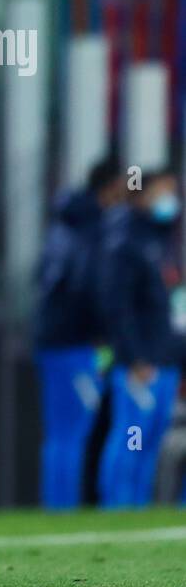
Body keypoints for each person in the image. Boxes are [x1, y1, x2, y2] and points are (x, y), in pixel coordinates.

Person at [34, 157, 124, 508]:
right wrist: (102, 332)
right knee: (72, 430)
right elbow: (88, 287)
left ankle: (59, 505)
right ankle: (62, 508)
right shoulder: (91, 229)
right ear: (112, 186)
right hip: (73, 341)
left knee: (61, 431)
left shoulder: (64, 223)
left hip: (55, 338)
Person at [96, 169, 183, 506]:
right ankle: (116, 505)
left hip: (165, 356)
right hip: (139, 360)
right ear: (142, 194)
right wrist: (133, 356)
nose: (169, 199)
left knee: (151, 439)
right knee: (130, 436)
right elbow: (118, 307)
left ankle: (137, 508)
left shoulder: (162, 241)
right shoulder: (125, 240)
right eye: (163, 191)